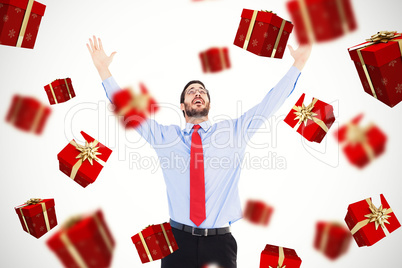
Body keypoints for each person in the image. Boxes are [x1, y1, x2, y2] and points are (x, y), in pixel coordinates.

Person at [87, 35, 311, 268]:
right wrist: (104, 70)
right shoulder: (165, 136)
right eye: (191, 91)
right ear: (182, 106)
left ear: (208, 104)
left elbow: (270, 103)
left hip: (219, 243)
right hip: (176, 241)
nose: (197, 92)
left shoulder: (234, 132)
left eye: (202, 91)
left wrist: (299, 64)